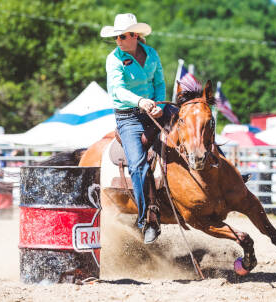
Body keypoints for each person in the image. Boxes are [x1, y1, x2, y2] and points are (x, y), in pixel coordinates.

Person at [100, 13, 173, 244]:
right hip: (128, 117)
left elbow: (159, 83)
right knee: (138, 165)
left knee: (191, 128)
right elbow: (118, 91)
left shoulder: (151, 54)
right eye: (117, 37)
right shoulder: (114, 59)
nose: (118, 41)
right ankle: (147, 220)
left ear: (134, 35)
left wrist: (159, 105)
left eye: (121, 36)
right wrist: (141, 101)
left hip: (154, 110)